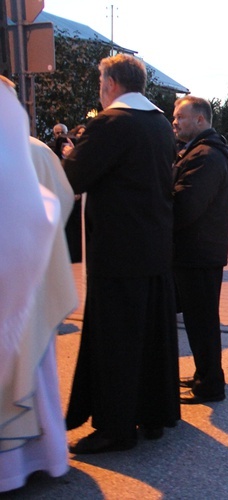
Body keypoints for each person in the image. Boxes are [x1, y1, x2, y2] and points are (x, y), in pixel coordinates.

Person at [63, 54, 181, 454]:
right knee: (149, 334)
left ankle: (115, 428)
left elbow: (73, 177)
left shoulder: (111, 123)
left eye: (101, 80)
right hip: (153, 245)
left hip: (117, 248)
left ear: (111, 83)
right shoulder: (160, 123)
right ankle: (153, 415)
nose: (100, 88)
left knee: (115, 339)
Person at [0, 77, 73, 492]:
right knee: (35, 368)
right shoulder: (36, 150)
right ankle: (43, 455)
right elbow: (61, 200)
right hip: (33, 276)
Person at [171, 96, 228, 404]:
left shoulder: (206, 155)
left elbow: (185, 206)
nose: (174, 122)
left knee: (202, 320)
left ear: (199, 120)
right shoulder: (203, 151)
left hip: (197, 253)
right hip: (198, 251)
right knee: (199, 319)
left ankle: (210, 383)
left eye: (180, 117)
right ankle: (204, 374)